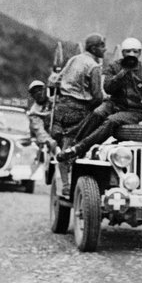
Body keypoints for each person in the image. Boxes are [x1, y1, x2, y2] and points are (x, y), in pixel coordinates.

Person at [57, 37, 142, 163]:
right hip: (113, 103)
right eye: (128, 52)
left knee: (111, 121)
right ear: (123, 53)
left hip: (133, 111)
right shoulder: (114, 67)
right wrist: (122, 74)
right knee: (97, 113)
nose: (131, 55)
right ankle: (75, 145)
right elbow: (108, 88)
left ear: (140, 53)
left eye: (135, 52)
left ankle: (79, 148)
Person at [49, 33, 106, 191]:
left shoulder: (74, 59)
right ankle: (73, 185)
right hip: (79, 109)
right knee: (79, 145)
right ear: (94, 48)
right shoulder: (93, 66)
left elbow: (57, 81)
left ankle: (66, 184)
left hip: (62, 107)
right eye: (102, 46)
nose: (105, 49)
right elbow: (97, 96)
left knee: (64, 142)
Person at [27, 79, 56, 152]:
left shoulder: (55, 101)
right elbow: (39, 129)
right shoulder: (34, 112)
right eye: (35, 92)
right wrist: (49, 141)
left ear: (45, 90)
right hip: (48, 143)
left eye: (40, 90)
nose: (39, 93)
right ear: (32, 96)